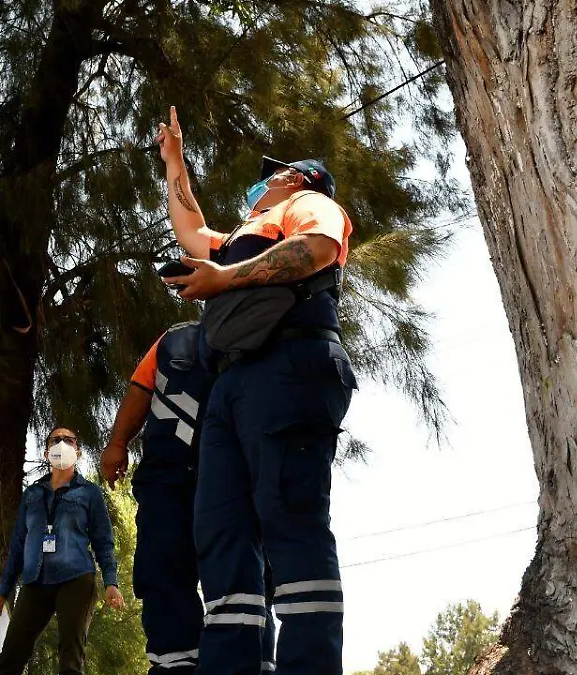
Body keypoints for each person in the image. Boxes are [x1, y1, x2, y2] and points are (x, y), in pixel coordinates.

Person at [154, 106, 359, 675]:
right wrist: (176, 166)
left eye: (272, 172)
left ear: (296, 177)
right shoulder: (245, 233)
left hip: (292, 366)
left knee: (290, 521)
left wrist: (226, 280)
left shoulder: (306, 204)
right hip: (232, 385)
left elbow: (315, 249)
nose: (261, 182)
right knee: (221, 531)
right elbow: (193, 231)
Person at [101, 323, 277, 675]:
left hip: (233, 480)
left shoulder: (264, 324)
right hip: (166, 480)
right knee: (161, 574)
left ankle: (251, 665)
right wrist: (118, 441)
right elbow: (140, 387)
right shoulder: (174, 338)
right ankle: (174, 665)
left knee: (241, 576)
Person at [0, 427, 126, 675]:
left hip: (75, 578)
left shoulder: (90, 493)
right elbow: (18, 544)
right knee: (11, 654)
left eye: (69, 440)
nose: (62, 444)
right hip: (35, 580)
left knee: (70, 657)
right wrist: (3, 590)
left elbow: (103, 541)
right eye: (56, 440)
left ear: (79, 451)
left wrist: (111, 582)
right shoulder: (32, 494)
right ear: (46, 453)